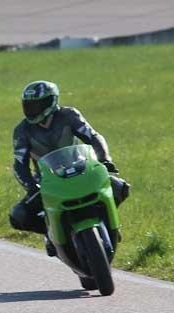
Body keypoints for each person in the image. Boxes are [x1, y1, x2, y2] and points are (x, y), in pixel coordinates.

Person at [9, 80, 130, 256]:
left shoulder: (69, 115)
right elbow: (19, 164)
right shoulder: (22, 130)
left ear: (51, 101)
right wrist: (31, 187)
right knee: (18, 216)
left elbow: (93, 137)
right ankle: (51, 233)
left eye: (37, 104)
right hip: (46, 180)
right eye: (28, 105)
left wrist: (105, 159)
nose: (32, 109)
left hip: (81, 168)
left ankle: (109, 223)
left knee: (120, 188)